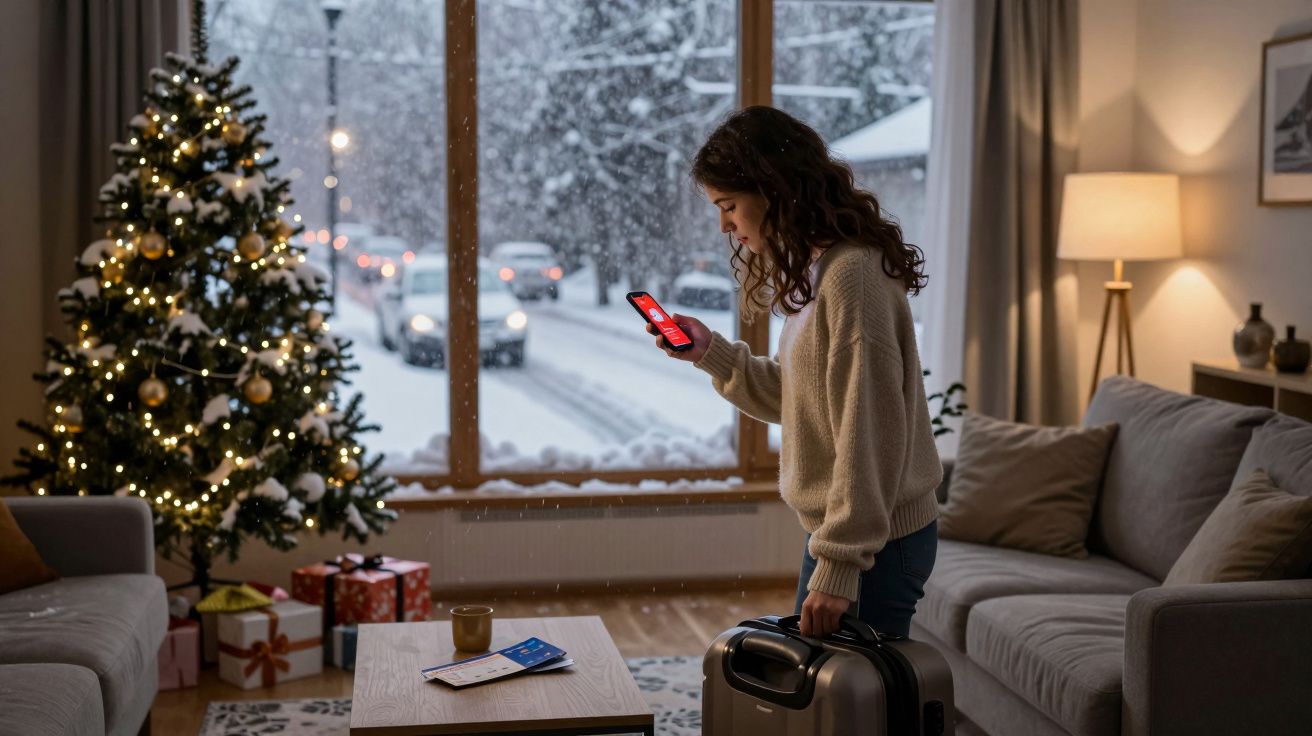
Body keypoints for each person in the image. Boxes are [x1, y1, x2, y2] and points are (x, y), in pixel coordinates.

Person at [647, 106, 942, 639]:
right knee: (835, 705)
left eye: (729, 206)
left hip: (875, 543)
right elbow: (800, 398)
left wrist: (840, 561)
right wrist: (710, 352)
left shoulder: (852, 278)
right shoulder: (824, 271)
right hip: (854, 535)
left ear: (774, 190)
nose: (725, 226)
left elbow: (868, 431)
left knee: (853, 710)